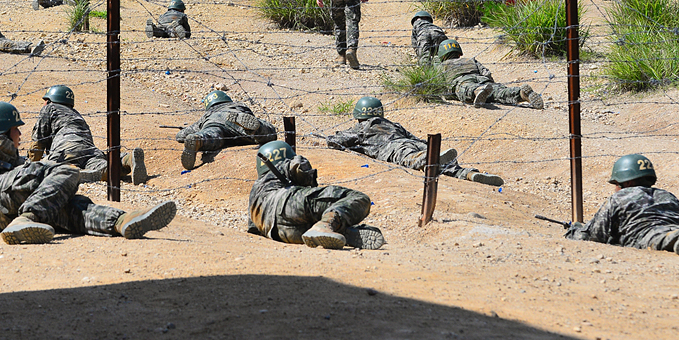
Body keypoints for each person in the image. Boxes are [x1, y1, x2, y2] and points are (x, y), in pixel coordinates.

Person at [0, 101, 177, 245]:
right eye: (15, 128)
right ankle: (27, 218)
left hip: (4, 214)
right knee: (66, 171)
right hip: (6, 194)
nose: (19, 133)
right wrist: (16, 157)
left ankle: (120, 221)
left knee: (69, 209)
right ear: (1, 129)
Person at [325, 97, 504, 186]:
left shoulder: (360, 128)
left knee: (411, 157)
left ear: (359, 115)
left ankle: (427, 158)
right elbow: (414, 138)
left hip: (391, 147)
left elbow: (335, 142)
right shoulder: (393, 124)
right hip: (407, 140)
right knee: (432, 156)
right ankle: (467, 174)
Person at [248, 140, 385, 250]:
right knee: (358, 198)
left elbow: (252, 228)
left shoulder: (256, 189)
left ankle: (339, 232)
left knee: (310, 229)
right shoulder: (284, 164)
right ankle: (326, 224)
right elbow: (300, 166)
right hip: (288, 201)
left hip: (277, 231)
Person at [29, 85, 147, 184]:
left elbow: (39, 140)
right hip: (90, 150)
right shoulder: (76, 114)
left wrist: (31, 165)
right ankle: (127, 159)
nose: (44, 103)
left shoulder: (49, 108)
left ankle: (78, 174)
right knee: (99, 164)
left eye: (45, 100)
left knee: (45, 170)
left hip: (66, 148)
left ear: (50, 100)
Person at [176, 90, 277, 170]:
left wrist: (186, 132)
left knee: (211, 135)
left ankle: (200, 140)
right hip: (234, 116)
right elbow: (250, 115)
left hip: (214, 122)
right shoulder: (238, 105)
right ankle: (254, 130)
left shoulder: (208, 114)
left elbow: (181, 135)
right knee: (269, 132)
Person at [436, 39, 544, 109]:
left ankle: (477, 91)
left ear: (442, 55)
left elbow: (438, 82)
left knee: (467, 89)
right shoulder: (470, 60)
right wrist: (488, 82)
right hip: (482, 79)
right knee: (497, 92)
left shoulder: (443, 65)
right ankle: (520, 93)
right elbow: (485, 72)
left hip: (462, 81)